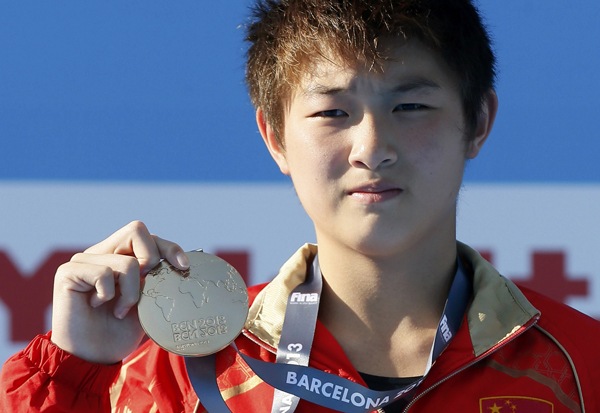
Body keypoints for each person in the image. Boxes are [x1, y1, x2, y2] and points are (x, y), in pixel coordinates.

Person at [2, 0, 600, 412]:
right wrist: (72, 376)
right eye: (333, 113)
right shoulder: (180, 373)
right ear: (275, 137)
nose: (372, 148)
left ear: (479, 122)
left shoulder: (581, 369)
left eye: (411, 107)